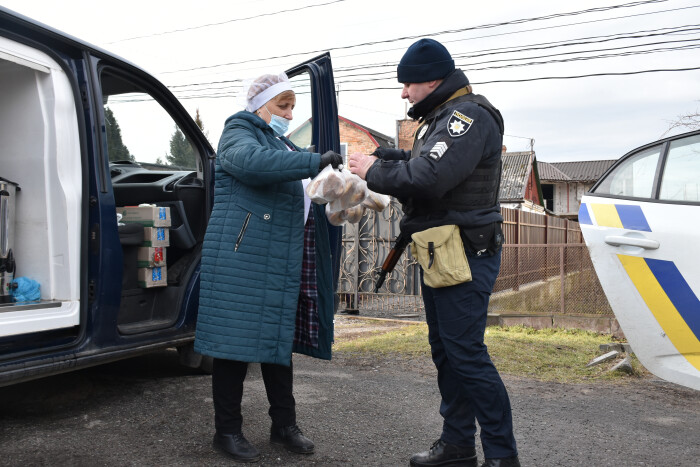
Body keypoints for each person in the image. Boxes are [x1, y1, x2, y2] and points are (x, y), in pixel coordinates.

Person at [348, 39, 520, 467]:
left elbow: (428, 177)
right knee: (447, 353)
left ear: (431, 79)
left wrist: (373, 170)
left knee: (466, 353)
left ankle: (502, 456)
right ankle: (458, 446)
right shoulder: (440, 118)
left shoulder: (468, 116)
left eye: (407, 84)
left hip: (464, 252)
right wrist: (392, 156)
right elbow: (428, 161)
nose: (403, 93)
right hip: (443, 252)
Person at [194, 72, 343, 463]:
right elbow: (253, 164)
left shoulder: (280, 140)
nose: (289, 114)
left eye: (293, 107)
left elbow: (296, 190)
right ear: (260, 104)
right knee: (233, 346)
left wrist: (335, 190)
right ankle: (226, 431)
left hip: (276, 257)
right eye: (283, 105)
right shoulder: (238, 131)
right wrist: (313, 161)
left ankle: (284, 425)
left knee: (277, 343)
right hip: (241, 257)